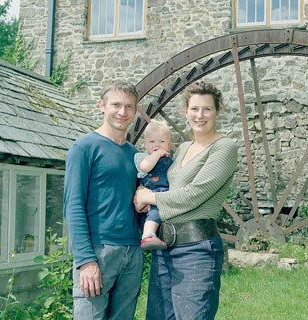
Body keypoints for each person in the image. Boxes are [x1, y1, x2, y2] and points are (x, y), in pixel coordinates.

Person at [135, 81, 238, 320]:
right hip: (164, 246)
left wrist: (150, 197)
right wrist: (140, 191)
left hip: (197, 250)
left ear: (217, 111)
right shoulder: (181, 149)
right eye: (194, 109)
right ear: (186, 111)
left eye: (207, 109)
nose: (199, 115)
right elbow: (161, 180)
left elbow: (195, 193)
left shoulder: (224, 148)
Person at [64, 81, 143, 320]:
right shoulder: (84, 148)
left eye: (129, 106)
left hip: (132, 252)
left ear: (136, 110)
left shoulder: (135, 155)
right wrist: (85, 260)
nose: (122, 112)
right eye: (116, 105)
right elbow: (73, 205)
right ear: (102, 106)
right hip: (98, 251)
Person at [134, 121, 173, 251]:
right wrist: (157, 154)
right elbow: (146, 167)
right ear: (145, 144)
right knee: (156, 211)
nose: (156, 145)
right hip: (152, 192)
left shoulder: (170, 160)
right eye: (151, 142)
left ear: (169, 144)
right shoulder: (143, 157)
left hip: (165, 193)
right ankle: (148, 235)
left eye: (161, 142)